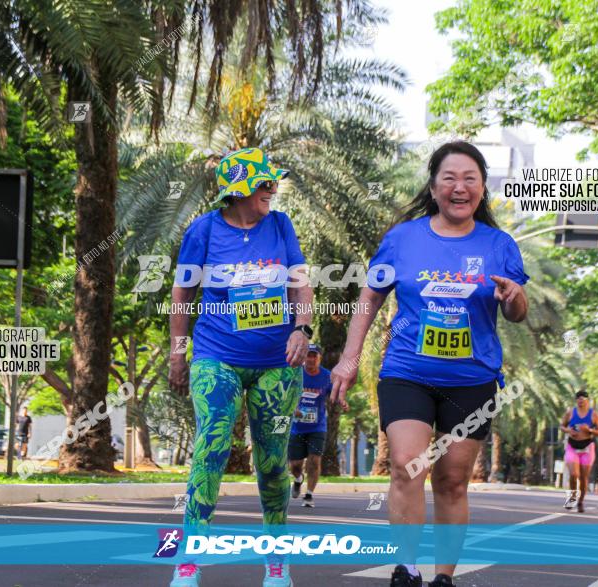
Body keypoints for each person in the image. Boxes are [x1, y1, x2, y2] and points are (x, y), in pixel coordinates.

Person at [330, 141, 529, 587]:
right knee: (406, 464)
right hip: (407, 371)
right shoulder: (403, 239)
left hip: (472, 379)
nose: (460, 187)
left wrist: (515, 298)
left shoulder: (499, 245)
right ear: (434, 186)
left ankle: (443, 578)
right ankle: (407, 569)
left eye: (470, 179)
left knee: (452, 481)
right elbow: (370, 298)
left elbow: (517, 312)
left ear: (482, 188)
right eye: (449, 178)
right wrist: (348, 358)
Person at [168, 147, 313, 587]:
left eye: (273, 184)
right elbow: (182, 294)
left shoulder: (281, 225)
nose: (272, 190)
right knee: (209, 450)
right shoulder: (204, 230)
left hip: (277, 363)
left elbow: (300, 283)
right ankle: (188, 561)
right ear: (239, 190)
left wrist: (302, 330)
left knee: (272, 463)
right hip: (216, 356)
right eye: (264, 184)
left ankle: (276, 559)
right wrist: (179, 352)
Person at [289, 343, 332, 508]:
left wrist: (341, 400)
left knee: (314, 461)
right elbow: (285, 394)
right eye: (308, 355)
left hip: (317, 427)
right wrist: (294, 408)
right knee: (295, 465)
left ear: (320, 358)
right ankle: (298, 479)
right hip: (296, 427)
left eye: (314, 355)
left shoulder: (327, 376)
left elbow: (334, 392)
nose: (311, 359)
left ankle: (309, 495)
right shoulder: (296, 374)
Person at [559, 389, 598, 514]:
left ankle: (581, 502)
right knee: (574, 475)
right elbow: (562, 426)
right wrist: (568, 431)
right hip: (572, 447)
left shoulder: (593, 415)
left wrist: (589, 430)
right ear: (576, 401)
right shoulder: (570, 413)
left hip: (587, 448)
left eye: (583, 399)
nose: (580, 401)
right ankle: (572, 498)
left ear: (587, 401)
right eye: (578, 399)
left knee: (584, 477)